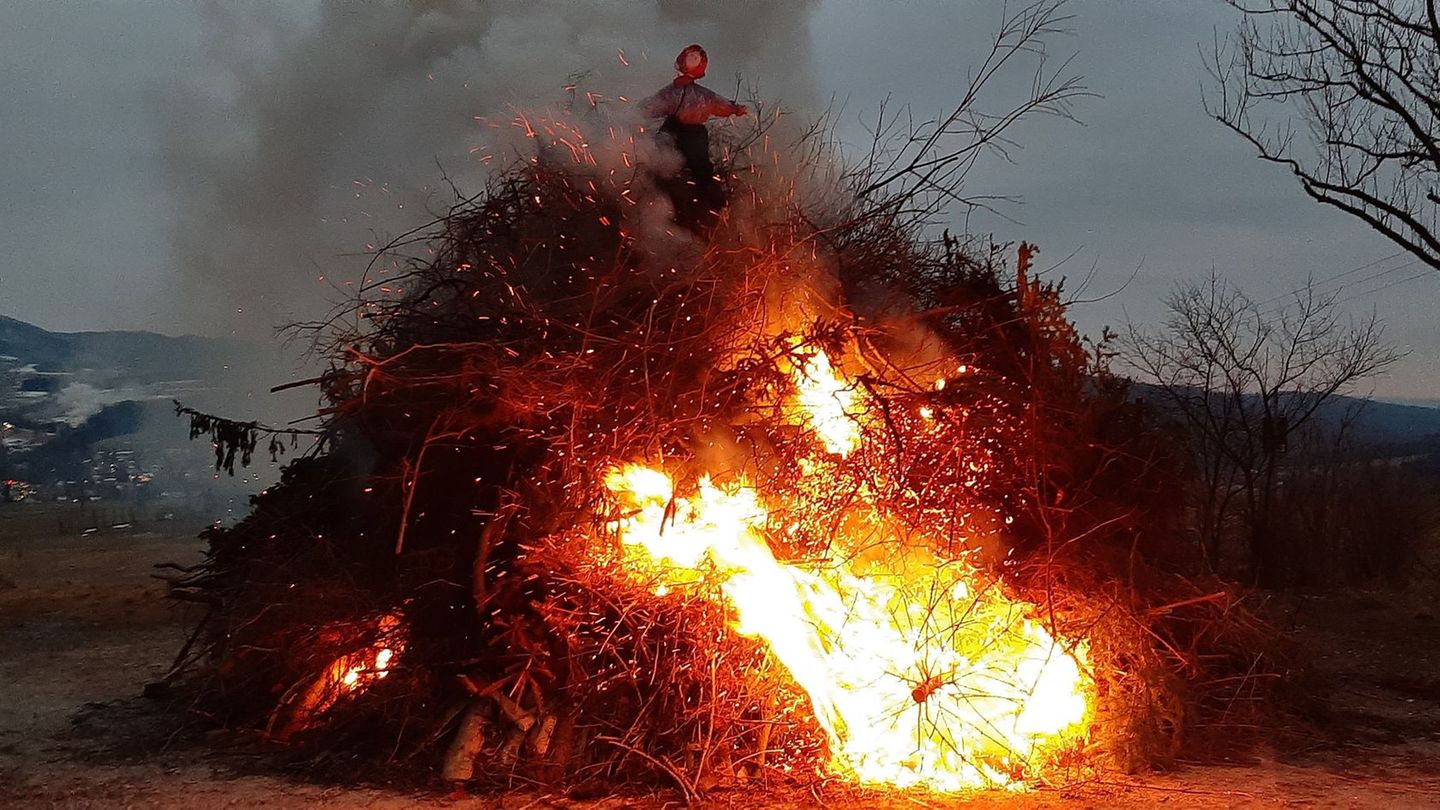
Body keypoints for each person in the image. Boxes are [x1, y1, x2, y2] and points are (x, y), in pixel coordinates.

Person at [640, 45, 748, 223]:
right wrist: (736, 109)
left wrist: (632, 114)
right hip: (684, 132)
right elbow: (719, 104)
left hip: (682, 132)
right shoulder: (698, 95)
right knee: (692, 169)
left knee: (691, 169)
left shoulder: (676, 92)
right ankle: (715, 207)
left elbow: (651, 106)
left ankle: (716, 208)